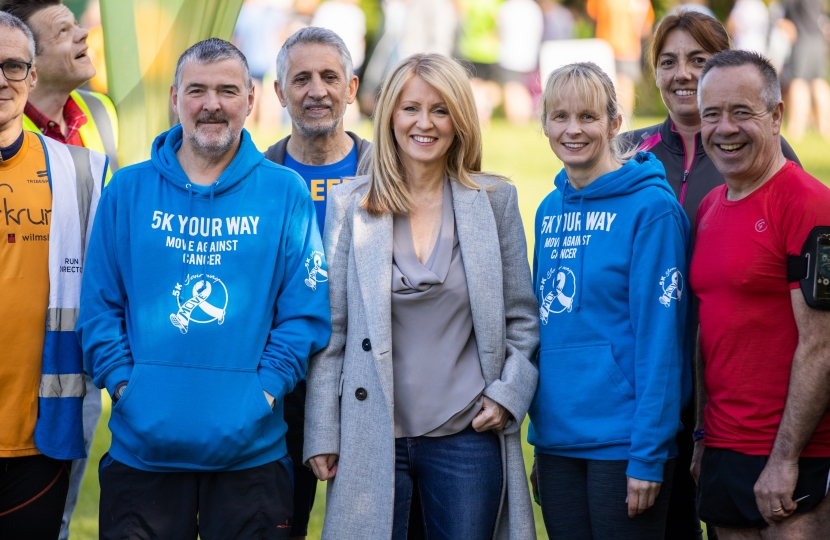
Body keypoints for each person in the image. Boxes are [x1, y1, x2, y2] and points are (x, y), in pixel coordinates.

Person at [76, 38, 331, 539]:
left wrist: (263, 392)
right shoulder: (127, 190)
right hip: (142, 455)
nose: (211, 104)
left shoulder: (284, 193)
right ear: (175, 98)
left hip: (251, 457)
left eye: (227, 91)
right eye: (197, 90)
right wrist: (126, 387)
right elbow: (99, 308)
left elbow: (303, 314)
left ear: (250, 99)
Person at [305, 53, 539, 540]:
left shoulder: (493, 201)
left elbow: (522, 319)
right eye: (411, 108)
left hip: (467, 437)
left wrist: (508, 394)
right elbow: (333, 332)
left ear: (460, 120)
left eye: (440, 110)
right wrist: (322, 431)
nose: (424, 123)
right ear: (390, 115)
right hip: (372, 435)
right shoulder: (351, 205)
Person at [529, 62, 691, 540]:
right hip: (557, 443)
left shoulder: (652, 209)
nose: (573, 130)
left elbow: (662, 342)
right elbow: (544, 328)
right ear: (545, 124)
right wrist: (542, 442)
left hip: (623, 445)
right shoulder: (548, 209)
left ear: (615, 122)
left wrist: (648, 454)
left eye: (588, 116)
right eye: (560, 117)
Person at [690, 49, 830, 540]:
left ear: (775, 117)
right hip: (723, 448)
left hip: (796, 457)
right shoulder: (710, 206)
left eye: (741, 112)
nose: (724, 128)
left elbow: (822, 346)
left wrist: (785, 458)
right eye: (711, 114)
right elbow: (709, 328)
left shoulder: (811, 204)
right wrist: (703, 436)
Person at [0, 1, 121, 535]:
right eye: (63, 30)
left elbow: (110, 271)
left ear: (29, 74)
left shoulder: (88, 153)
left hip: (50, 408)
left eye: (13, 66)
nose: (2, 79)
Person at [264, 26, 371, 540]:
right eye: (301, 79)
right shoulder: (256, 177)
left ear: (351, 88)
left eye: (330, 77)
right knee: (278, 525)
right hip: (282, 382)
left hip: (367, 378)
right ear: (279, 92)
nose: (316, 91)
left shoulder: (388, 171)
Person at [585, 0, 654, 115]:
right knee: (625, 85)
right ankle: (624, 117)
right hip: (626, 48)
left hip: (608, 45)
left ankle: (610, 116)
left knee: (605, 84)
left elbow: (592, 14)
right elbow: (646, 28)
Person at [782, 0, 830, 141]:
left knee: (798, 83)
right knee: (819, 82)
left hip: (802, 40)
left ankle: (797, 128)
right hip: (818, 41)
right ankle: (825, 127)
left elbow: (787, 21)